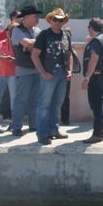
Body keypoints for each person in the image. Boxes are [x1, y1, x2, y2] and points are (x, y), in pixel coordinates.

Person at [31, 8, 73, 145]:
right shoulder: (44, 35)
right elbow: (35, 55)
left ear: (64, 21)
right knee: (44, 104)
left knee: (57, 104)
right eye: (55, 19)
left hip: (62, 73)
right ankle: (42, 133)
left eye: (60, 20)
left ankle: (54, 129)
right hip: (48, 73)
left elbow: (69, 54)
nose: (58, 22)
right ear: (50, 20)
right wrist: (43, 73)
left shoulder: (66, 35)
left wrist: (69, 70)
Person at [10, 5, 42, 136]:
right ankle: (16, 127)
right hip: (24, 70)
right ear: (27, 17)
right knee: (21, 100)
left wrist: (31, 44)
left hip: (37, 69)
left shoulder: (37, 30)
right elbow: (28, 43)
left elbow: (40, 43)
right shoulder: (17, 31)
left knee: (35, 100)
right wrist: (31, 44)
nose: (38, 18)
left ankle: (33, 125)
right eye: (35, 16)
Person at [81, 18, 103, 143]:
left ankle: (97, 134)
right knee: (100, 105)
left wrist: (87, 77)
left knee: (96, 106)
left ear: (91, 28)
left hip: (96, 77)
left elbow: (93, 59)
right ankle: (99, 132)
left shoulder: (96, 41)